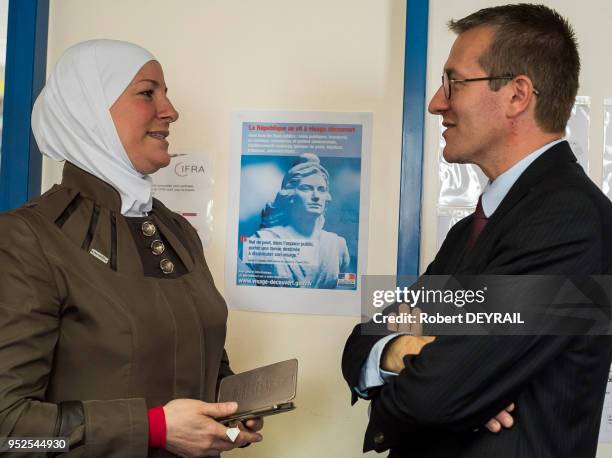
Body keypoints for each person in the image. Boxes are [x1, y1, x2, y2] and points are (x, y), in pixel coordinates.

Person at [342, 4, 612, 457]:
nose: (436, 102)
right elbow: (362, 343)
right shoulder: (474, 228)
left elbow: (435, 396)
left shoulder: (568, 222)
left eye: (454, 82)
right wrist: (402, 353)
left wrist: (448, 386)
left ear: (517, 95)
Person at [0, 39, 263, 458]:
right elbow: (10, 433)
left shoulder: (176, 230)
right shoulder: (26, 239)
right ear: (89, 112)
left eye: (166, 93)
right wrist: (153, 428)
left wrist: (230, 409)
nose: (170, 110)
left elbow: (200, 359)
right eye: (147, 92)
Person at [247, 153, 350, 289]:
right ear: (289, 195)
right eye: (306, 188)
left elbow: (344, 290)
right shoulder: (261, 240)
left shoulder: (337, 245)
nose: (316, 196)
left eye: (321, 190)